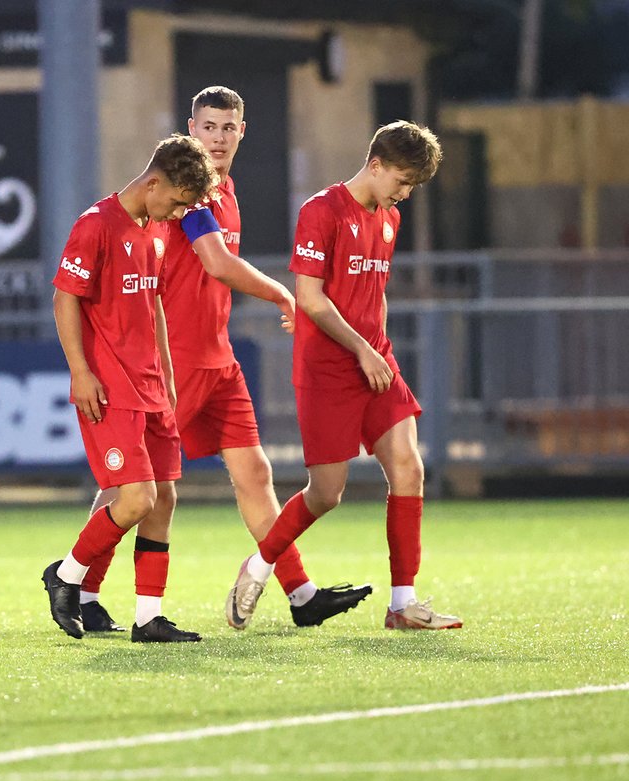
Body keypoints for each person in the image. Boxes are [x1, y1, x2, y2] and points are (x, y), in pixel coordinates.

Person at [78, 87, 373, 633]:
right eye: (208, 127)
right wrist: (283, 294)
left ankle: (301, 593)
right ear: (191, 129)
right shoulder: (189, 197)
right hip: (177, 361)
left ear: (243, 131)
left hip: (220, 359)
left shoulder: (226, 191)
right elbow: (216, 263)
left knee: (255, 472)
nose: (217, 137)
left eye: (227, 127)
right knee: (136, 487)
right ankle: (83, 588)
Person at [228, 120, 462, 631]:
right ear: (374, 164)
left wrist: (377, 350)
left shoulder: (389, 219)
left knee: (408, 466)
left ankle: (403, 604)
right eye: (401, 181)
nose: (404, 194)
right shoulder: (322, 210)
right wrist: (360, 350)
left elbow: (374, 293)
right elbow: (310, 298)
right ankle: (259, 566)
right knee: (326, 494)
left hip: (375, 362)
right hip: (329, 368)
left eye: (412, 187)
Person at [42, 134, 218, 643]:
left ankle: (148, 617)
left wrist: (165, 370)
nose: (177, 213)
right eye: (177, 201)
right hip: (111, 385)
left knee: (163, 499)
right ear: (154, 181)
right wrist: (80, 370)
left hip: (151, 384)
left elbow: (154, 303)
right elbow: (65, 298)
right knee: (136, 498)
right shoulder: (96, 224)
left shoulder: (156, 231)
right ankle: (66, 576)